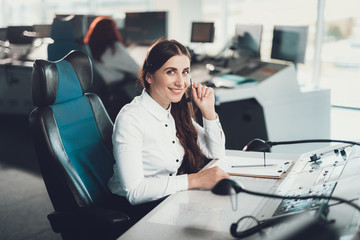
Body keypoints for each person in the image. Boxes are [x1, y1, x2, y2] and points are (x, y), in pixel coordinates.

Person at [108, 39, 228, 222]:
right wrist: (194, 180)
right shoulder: (131, 119)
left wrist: (209, 112)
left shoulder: (174, 110)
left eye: (185, 72)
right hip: (134, 211)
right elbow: (134, 191)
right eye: (171, 72)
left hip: (165, 199)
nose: (181, 82)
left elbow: (215, 152)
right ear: (149, 77)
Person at [83, 16, 139, 119]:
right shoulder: (114, 48)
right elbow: (138, 71)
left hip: (99, 92)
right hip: (115, 93)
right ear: (112, 31)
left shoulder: (88, 47)